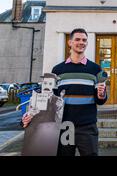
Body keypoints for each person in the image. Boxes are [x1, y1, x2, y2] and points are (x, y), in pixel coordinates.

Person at [22, 28, 107, 156]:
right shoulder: (58, 70)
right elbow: (49, 99)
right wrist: (31, 114)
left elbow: (100, 100)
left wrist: (102, 94)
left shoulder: (95, 69)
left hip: (87, 126)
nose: (81, 42)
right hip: (64, 125)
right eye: (77, 39)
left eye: (84, 40)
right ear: (70, 42)